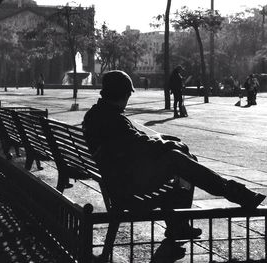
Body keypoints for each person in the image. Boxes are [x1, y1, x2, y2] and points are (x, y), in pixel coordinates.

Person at [82, 70, 265, 240]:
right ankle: (233, 195)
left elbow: (132, 143)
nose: (129, 99)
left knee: (182, 160)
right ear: (122, 94)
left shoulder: (98, 114)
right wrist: (170, 144)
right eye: (128, 95)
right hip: (127, 184)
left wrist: (164, 141)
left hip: (118, 176)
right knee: (178, 160)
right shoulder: (112, 119)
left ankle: (182, 222)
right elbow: (140, 145)